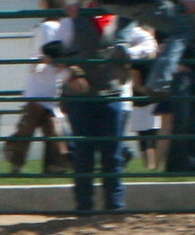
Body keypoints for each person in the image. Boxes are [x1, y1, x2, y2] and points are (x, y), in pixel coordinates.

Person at [48, 1, 153, 214]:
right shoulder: (73, 20)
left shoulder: (122, 20)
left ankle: (113, 207)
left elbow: (148, 44)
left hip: (112, 94)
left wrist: (128, 53)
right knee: (84, 154)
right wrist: (70, 72)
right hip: (83, 96)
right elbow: (54, 50)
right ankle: (85, 206)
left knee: (111, 155)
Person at [4, 0, 70, 176]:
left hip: (41, 83)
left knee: (35, 125)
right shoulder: (62, 26)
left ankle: (18, 160)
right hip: (48, 82)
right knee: (45, 124)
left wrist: (42, 65)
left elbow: (39, 54)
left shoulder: (47, 27)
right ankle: (54, 164)